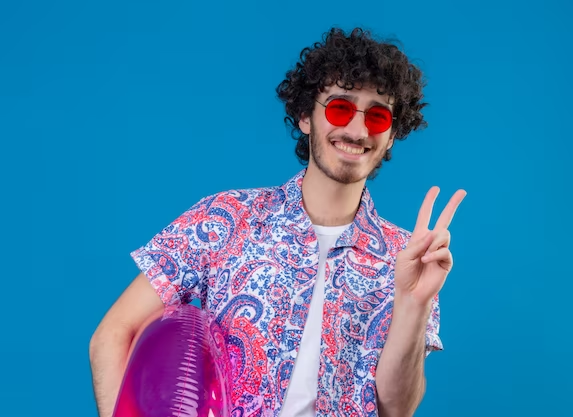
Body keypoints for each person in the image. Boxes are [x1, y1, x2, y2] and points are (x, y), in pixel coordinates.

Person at [89, 27, 466, 417]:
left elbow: (396, 410)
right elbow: (114, 334)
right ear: (306, 116)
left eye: (376, 116)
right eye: (340, 108)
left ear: (390, 135)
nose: (357, 130)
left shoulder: (410, 257)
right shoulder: (226, 217)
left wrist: (413, 303)